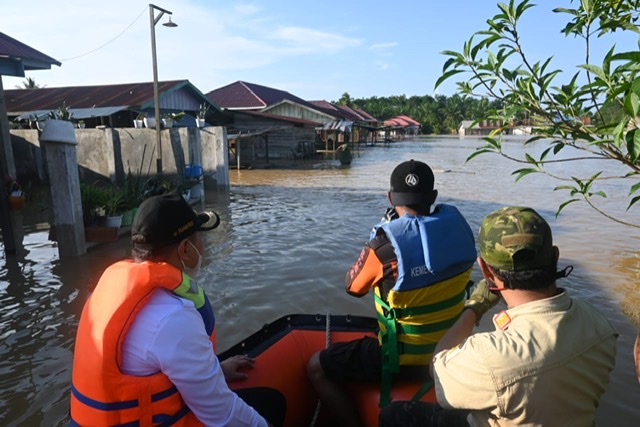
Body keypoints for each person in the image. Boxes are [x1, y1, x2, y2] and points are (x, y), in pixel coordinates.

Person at [379, 206, 618, 427]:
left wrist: (474, 308)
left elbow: (437, 369)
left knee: (393, 415)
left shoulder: (490, 355)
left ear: (484, 269)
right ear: (554, 257)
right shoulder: (599, 323)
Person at [70, 190, 272, 426]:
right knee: (270, 404)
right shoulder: (173, 317)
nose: (203, 246)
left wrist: (214, 370)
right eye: (200, 238)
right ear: (185, 249)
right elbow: (222, 414)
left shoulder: (105, 293)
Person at [307, 159, 477, 426]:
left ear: (389, 197)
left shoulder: (383, 247)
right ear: (433, 196)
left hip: (400, 361)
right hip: (450, 354)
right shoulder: (461, 232)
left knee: (316, 366)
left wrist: (375, 237)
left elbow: (352, 287)